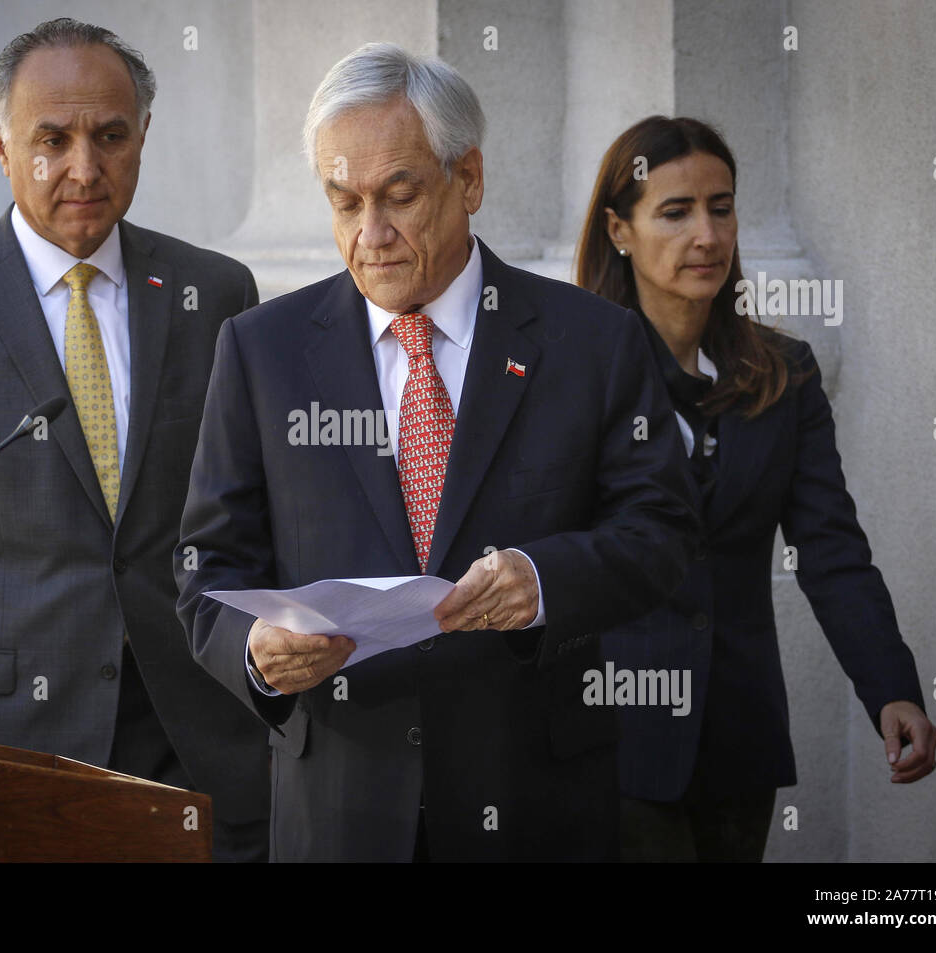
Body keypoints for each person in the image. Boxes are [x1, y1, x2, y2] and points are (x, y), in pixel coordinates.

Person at [174, 44, 699, 862]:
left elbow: (662, 531)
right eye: (343, 203)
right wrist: (259, 655)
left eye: (399, 196)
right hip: (341, 815)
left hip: (535, 805)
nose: (370, 235)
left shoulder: (590, 341)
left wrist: (542, 578)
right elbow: (207, 573)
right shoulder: (261, 351)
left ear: (470, 179)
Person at [0, 18, 270, 862]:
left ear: (143, 138)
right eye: (52, 138)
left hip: (196, 752)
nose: (84, 167)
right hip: (1, 761)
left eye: (110, 136)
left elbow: (249, 522)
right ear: (0, 146)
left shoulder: (213, 291)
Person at [575, 115, 936, 862]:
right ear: (620, 229)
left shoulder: (785, 373)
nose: (707, 235)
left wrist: (892, 688)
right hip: (608, 742)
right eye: (675, 212)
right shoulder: (572, 377)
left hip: (740, 741)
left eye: (721, 206)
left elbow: (831, 550)